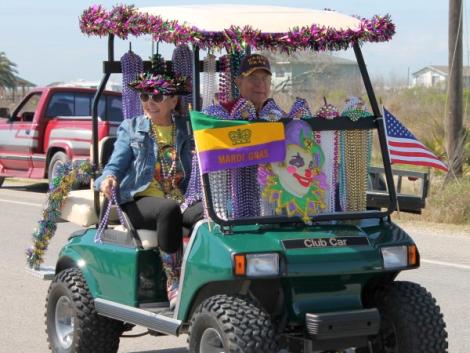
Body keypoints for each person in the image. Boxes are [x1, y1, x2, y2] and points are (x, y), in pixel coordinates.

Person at [95, 64, 203, 309]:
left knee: (210, 213)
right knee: (167, 210)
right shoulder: (131, 127)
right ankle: (173, 279)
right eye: (144, 96)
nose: (149, 102)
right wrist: (109, 179)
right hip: (138, 201)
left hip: (180, 199)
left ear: (173, 100)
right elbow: (115, 165)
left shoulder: (187, 128)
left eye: (156, 96)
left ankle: (203, 273)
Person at [183, 54, 286, 219]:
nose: (260, 84)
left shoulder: (279, 116)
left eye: (265, 79)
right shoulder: (217, 116)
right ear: (238, 82)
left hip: (271, 202)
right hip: (220, 203)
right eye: (253, 78)